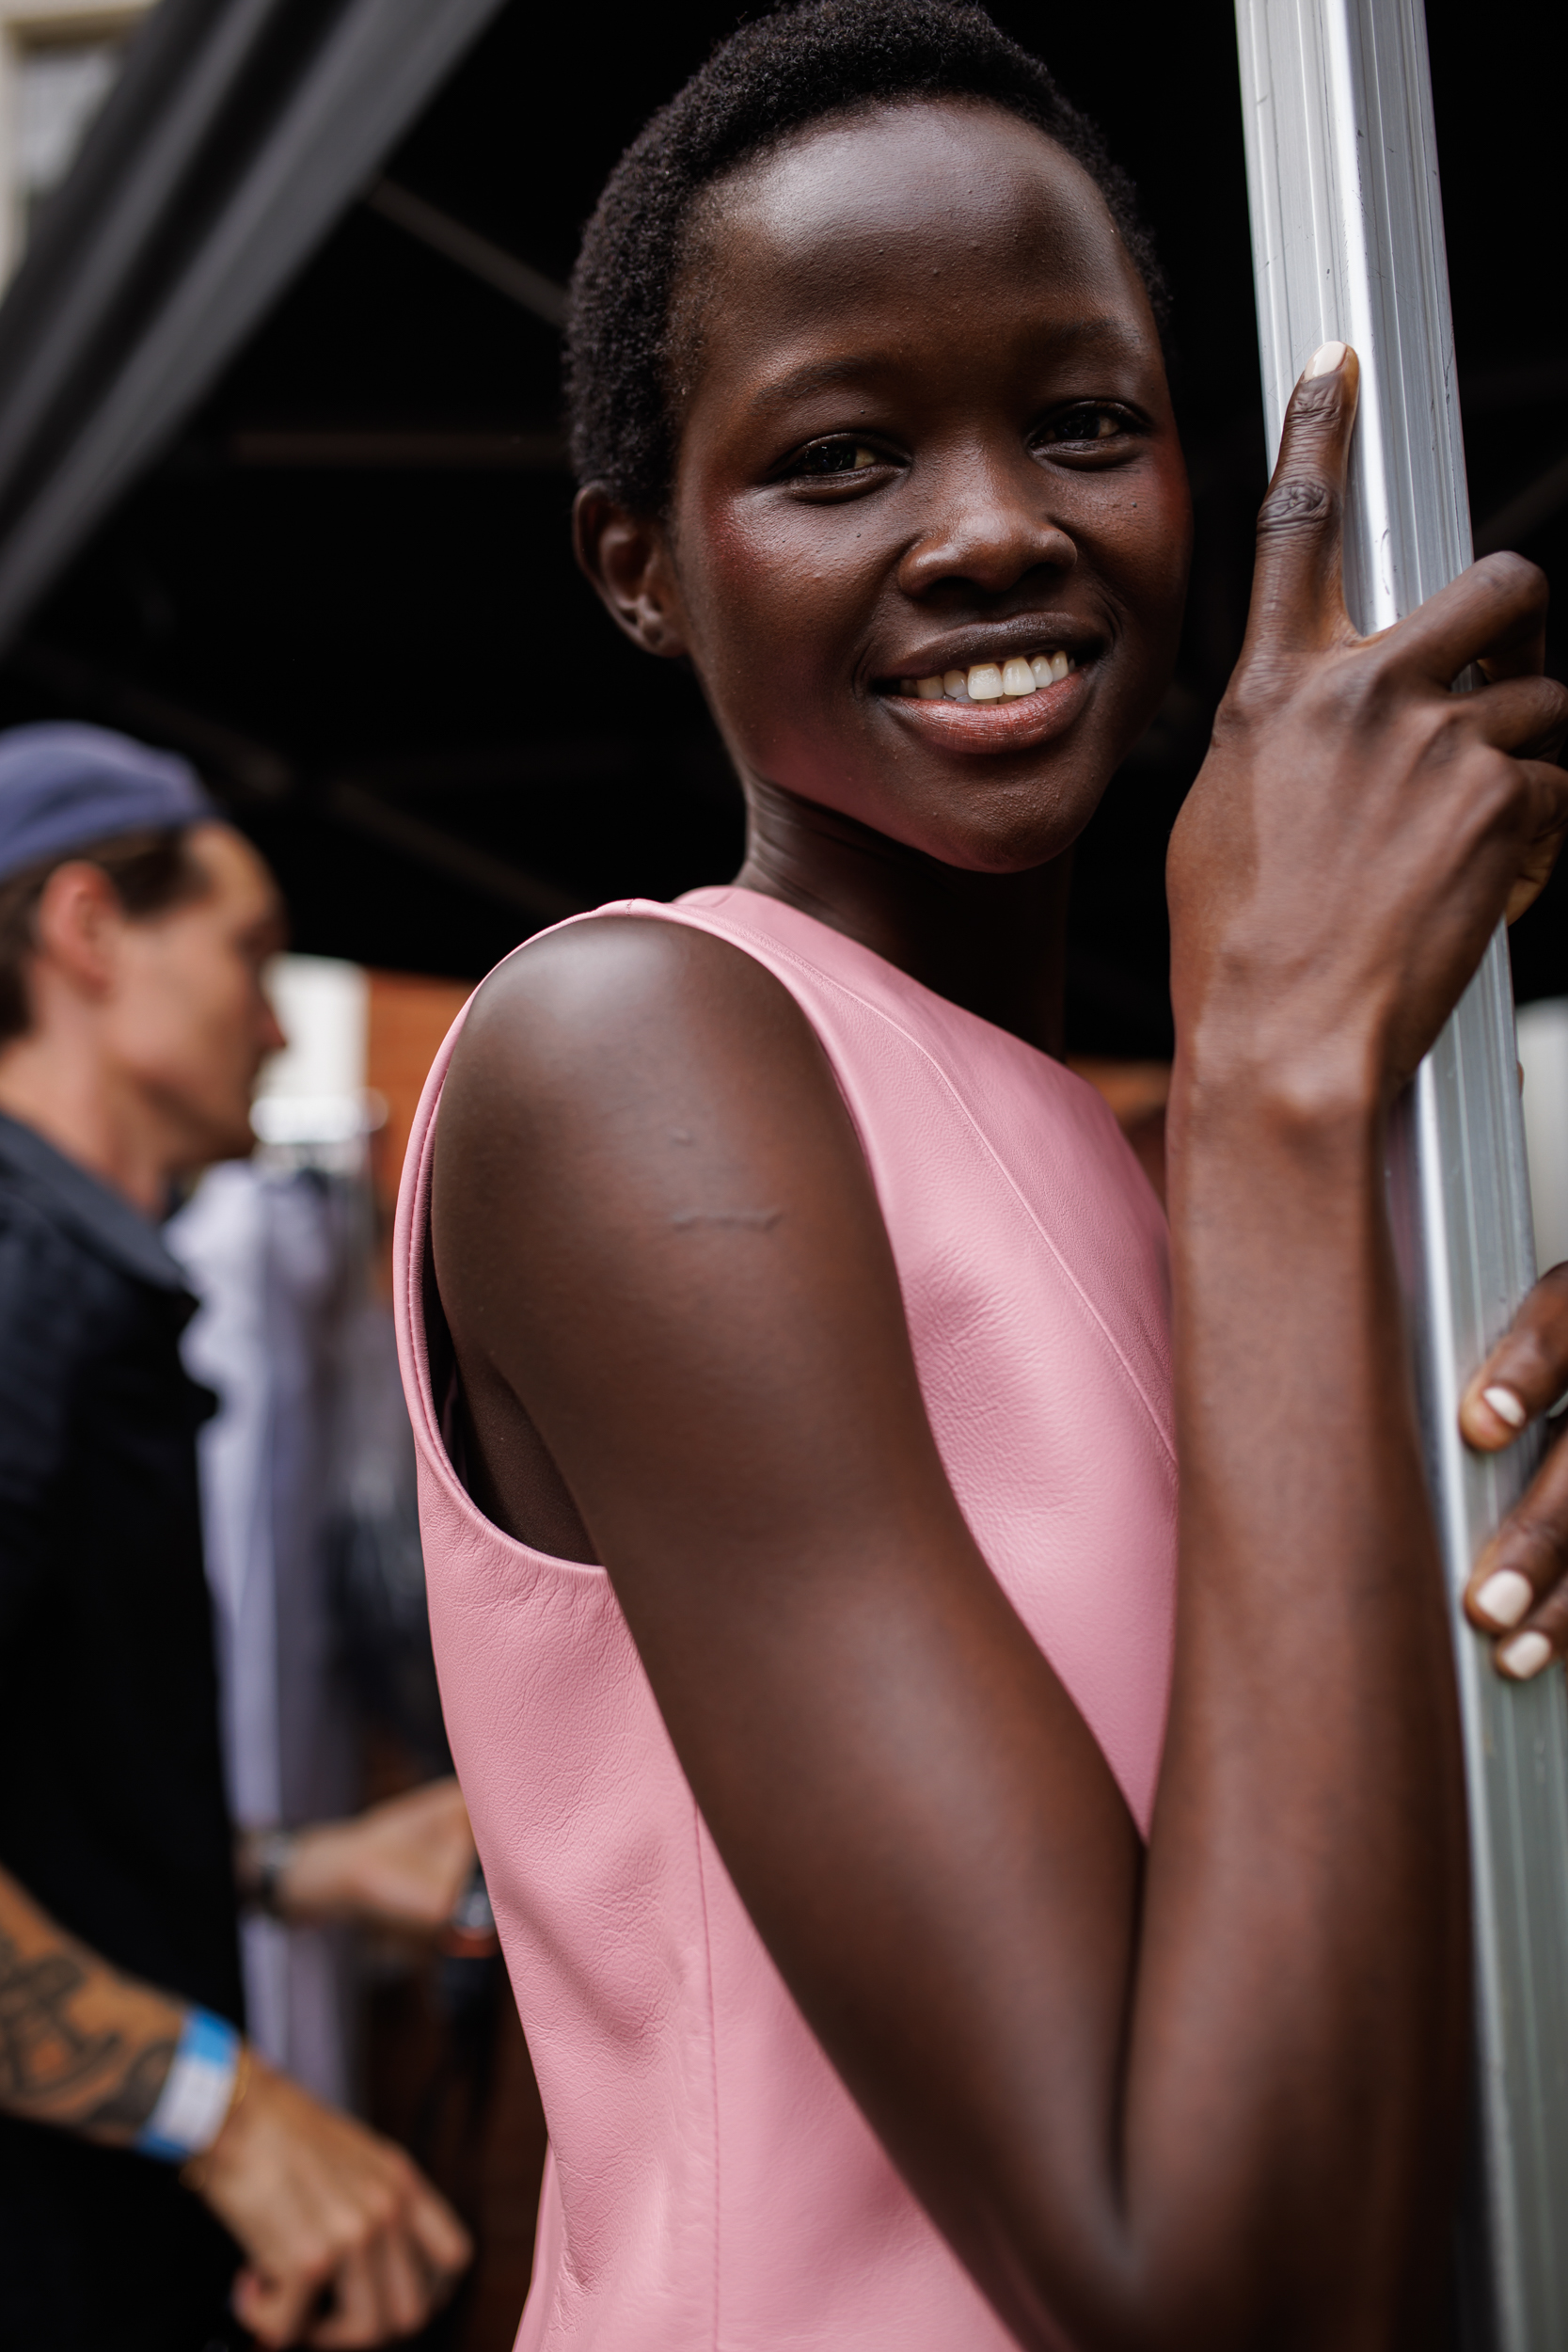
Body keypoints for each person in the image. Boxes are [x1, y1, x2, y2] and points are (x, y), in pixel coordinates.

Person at [397, 5, 1568, 2346]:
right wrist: (1278, 1075)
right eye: (841, 454)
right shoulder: (629, 1049)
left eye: (1086, 422)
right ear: (641, 565)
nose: (999, 524)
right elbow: (1198, 2286)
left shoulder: (1161, 1176)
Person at [0, 723, 473, 2349]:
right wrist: (233, 2112)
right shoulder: (15, 1281)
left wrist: (297, 1872)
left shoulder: (88, 1287)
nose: (275, 1019)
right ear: (84, 935)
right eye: (250, 950)